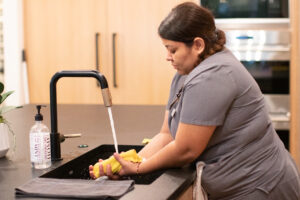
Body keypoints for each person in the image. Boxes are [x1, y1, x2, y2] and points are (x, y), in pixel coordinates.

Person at [89, 2, 300, 199]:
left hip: (262, 186)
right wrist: (131, 162)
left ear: (198, 45)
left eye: (173, 49)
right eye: (166, 49)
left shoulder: (213, 75)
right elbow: (167, 135)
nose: (168, 57)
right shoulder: (185, 72)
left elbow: (185, 149)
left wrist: (138, 169)